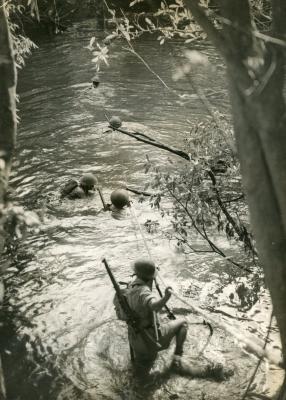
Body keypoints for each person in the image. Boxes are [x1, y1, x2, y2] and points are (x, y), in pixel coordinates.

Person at [126, 259, 188, 375]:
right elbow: (154, 306)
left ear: (136, 274)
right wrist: (166, 296)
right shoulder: (144, 291)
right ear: (151, 278)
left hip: (135, 338)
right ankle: (177, 359)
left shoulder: (130, 287)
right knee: (183, 322)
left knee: (142, 372)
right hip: (150, 339)